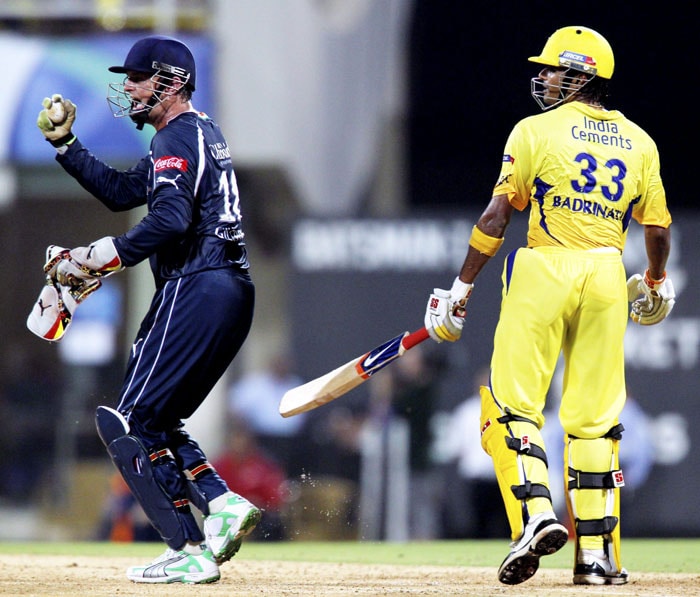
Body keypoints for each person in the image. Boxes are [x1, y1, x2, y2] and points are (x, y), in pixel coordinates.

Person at [422, 26, 674, 586]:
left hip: (545, 265)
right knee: (595, 422)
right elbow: (656, 227)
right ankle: (597, 558)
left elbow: (496, 217)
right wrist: (654, 280)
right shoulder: (640, 140)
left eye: (554, 69)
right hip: (609, 271)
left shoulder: (534, 129)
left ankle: (536, 512)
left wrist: (461, 287)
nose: (543, 78)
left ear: (580, 73)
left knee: (512, 408)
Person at [36, 35, 261, 584]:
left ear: (171, 81)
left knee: (123, 420)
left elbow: (170, 222)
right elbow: (121, 191)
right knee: (158, 420)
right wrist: (68, 146)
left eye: (137, 76)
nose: (128, 87)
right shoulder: (195, 132)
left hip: (198, 283)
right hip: (227, 289)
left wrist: (99, 257)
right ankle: (220, 504)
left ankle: (187, 547)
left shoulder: (177, 137)